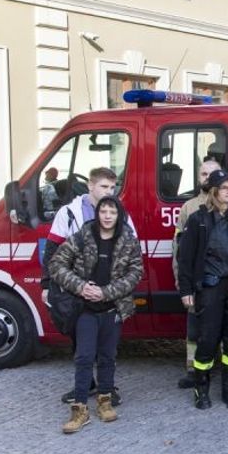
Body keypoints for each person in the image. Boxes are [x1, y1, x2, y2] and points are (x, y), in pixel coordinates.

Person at [43, 166, 137, 406]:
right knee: (82, 347)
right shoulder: (69, 213)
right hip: (77, 293)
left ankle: (107, 388)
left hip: (110, 296)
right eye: (104, 186)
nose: (110, 191)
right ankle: (84, 387)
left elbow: (133, 256)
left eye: (112, 187)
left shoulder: (121, 214)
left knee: (108, 349)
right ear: (91, 186)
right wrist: (48, 285)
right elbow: (53, 252)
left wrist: (109, 291)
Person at [50, 196, 142, 434]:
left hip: (112, 308)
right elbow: (56, 265)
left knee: (107, 357)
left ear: (118, 215)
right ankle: (80, 409)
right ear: (97, 214)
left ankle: (105, 401)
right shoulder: (82, 236)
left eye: (112, 211)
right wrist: (81, 287)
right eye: (104, 211)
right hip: (85, 309)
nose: (108, 216)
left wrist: (105, 292)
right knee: (84, 357)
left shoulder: (128, 240)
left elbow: (135, 274)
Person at [177, 169, 228, 410]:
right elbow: (185, 257)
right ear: (213, 192)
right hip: (210, 288)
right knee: (207, 340)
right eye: (224, 187)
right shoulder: (199, 220)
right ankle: (201, 388)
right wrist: (186, 289)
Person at [173, 156, 222, 390]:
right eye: (203, 174)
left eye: (213, 174)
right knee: (194, 330)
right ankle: (194, 371)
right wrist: (182, 284)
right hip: (197, 281)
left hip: (222, 283)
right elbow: (179, 250)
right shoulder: (188, 208)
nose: (208, 178)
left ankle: (226, 371)